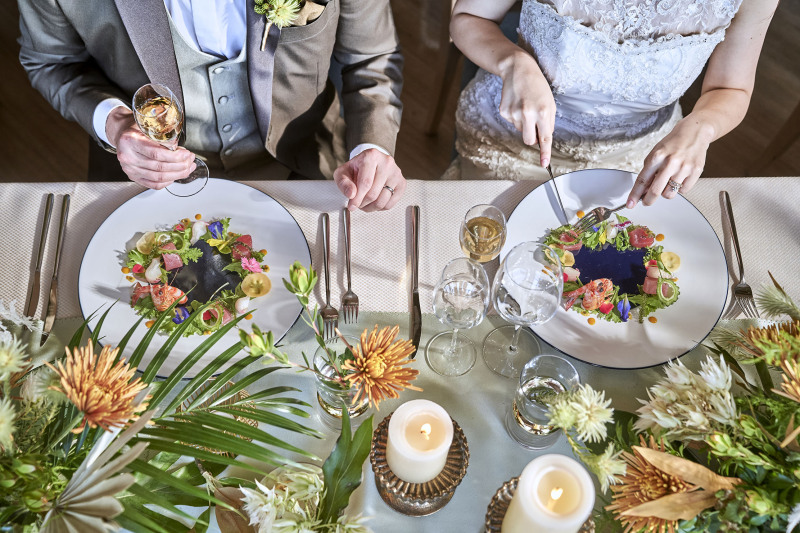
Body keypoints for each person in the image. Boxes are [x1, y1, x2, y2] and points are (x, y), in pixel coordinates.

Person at [17, 0, 406, 212]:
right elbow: (52, 63)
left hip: (306, 168)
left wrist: (371, 146)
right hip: (145, 185)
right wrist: (116, 124)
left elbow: (370, 58)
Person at [448, 0, 778, 208]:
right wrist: (514, 63)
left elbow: (730, 87)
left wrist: (700, 129)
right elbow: (468, 17)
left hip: (639, 160)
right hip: (513, 140)